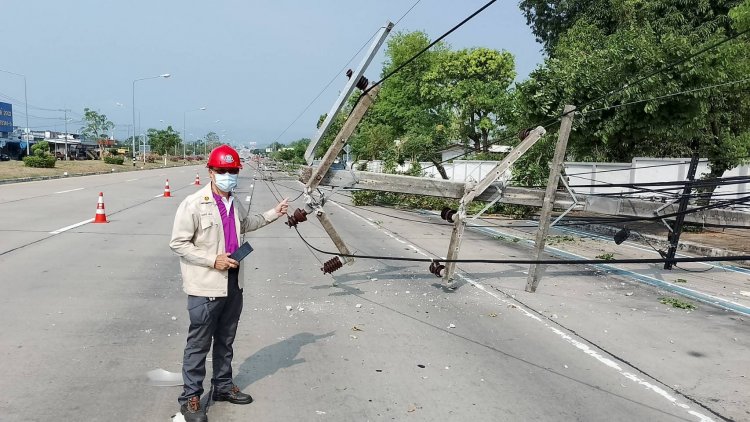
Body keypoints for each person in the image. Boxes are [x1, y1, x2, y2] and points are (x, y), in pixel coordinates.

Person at [169, 144, 288, 422]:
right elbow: (178, 243)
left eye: (232, 170)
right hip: (206, 284)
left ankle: (222, 386)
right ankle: (191, 398)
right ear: (210, 171)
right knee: (199, 344)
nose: (228, 175)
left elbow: (245, 224)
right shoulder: (194, 203)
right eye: (222, 170)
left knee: (226, 339)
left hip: (234, 281)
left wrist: (274, 213)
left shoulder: (234, 201)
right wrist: (213, 260)